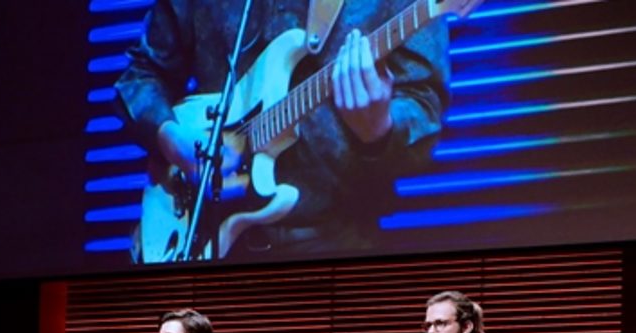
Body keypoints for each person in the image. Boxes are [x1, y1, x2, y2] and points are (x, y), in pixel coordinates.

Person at [114, 0, 451, 262]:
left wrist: (379, 127)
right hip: (206, 235)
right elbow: (141, 75)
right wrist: (171, 138)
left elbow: (423, 107)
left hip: (335, 246)